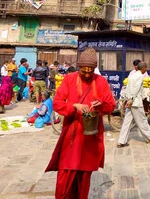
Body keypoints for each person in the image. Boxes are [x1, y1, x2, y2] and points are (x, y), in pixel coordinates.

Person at [46, 48, 116, 199]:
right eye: (83, 71)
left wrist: (101, 104)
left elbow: (111, 106)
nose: (86, 74)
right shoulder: (69, 79)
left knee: (84, 175)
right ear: (79, 67)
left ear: (94, 69)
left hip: (91, 136)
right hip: (72, 134)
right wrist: (73, 106)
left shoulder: (101, 81)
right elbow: (57, 103)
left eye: (90, 71)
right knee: (65, 173)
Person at [117, 62, 150, 147]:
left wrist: (129, 99)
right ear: (143, 68)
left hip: (130, 102)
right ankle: (149, 137)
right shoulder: (140, 76)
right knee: (142, 120)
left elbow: (128, 88)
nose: (146, 70)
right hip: (135, 102)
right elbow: (136, 89)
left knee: (127, 122)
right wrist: (132, 99)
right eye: (145, 68)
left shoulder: (132, 75)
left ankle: (121, 141)